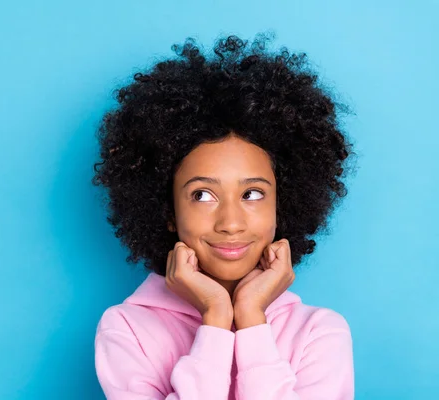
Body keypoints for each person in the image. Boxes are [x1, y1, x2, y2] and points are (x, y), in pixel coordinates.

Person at [91, 32, 356, 400]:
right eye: (202, 195)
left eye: (252, 194)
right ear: (168, 210)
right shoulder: (126, 329)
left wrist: (250, 319)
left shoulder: (319, 333)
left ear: (282, 205)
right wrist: (216, 319)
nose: (230, 222)